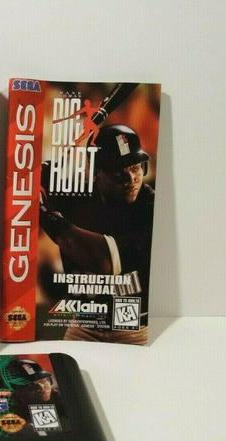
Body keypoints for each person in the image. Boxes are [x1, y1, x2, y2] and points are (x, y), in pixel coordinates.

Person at [40, 124, 155, 345]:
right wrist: (39, 175)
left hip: (131, 328)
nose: (130, 178)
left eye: (135, 167)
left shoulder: (150, 207)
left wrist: (46, 213)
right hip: (84, 324)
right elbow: (28, 184)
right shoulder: (77, 196)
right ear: (96, 172)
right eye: (118, 170)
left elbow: (104, 261)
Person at [7, 358, 67, 433]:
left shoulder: (62, 399)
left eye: (43, 381)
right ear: (20, 391)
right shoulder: (13, 411)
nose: (42, 387)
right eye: (33, 385)